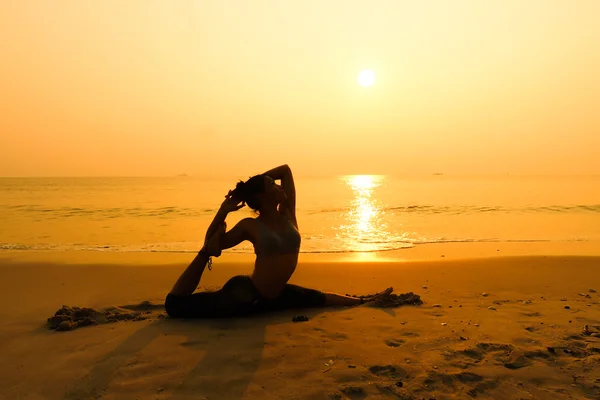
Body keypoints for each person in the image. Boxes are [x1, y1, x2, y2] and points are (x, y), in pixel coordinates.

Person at [165, 165, 407, 318]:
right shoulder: (251, 226)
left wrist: (253, 186)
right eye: (272, 185)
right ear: (262, 196)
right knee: (176, 308)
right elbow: (212, 246)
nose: (278, 185)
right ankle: (176, 295)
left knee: (323, 298)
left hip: (276, 295)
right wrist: (224, 209)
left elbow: (286, 170)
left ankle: (366, 300)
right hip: (245, 294)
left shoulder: (288, 213)